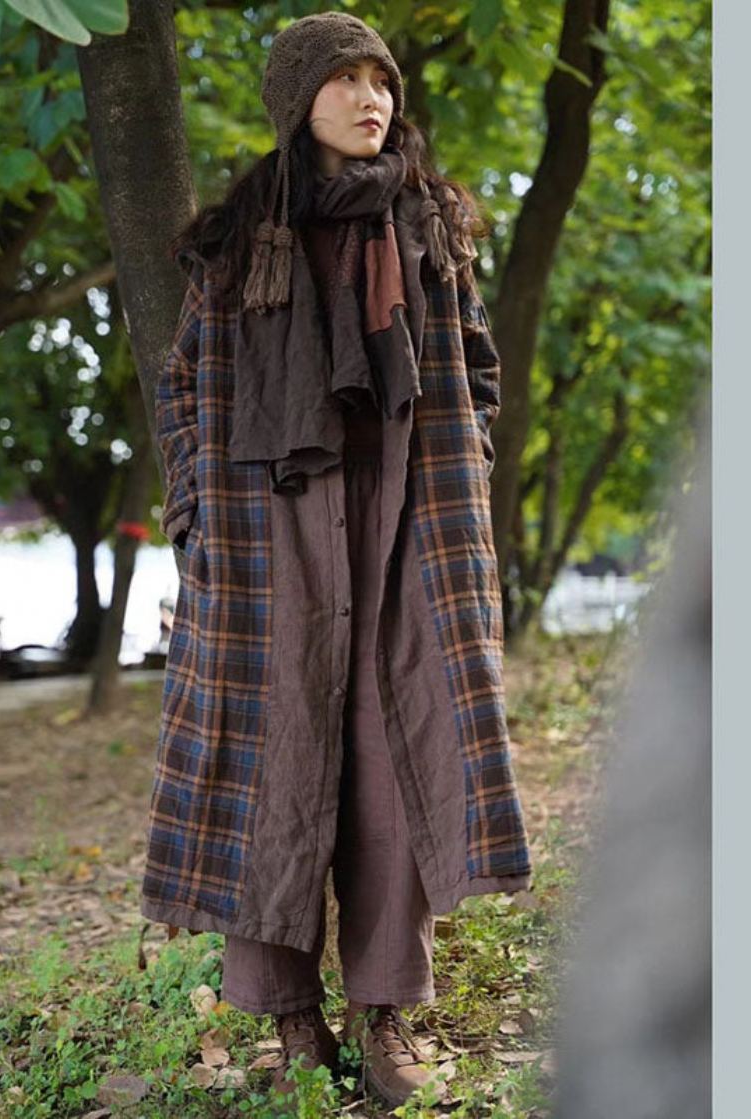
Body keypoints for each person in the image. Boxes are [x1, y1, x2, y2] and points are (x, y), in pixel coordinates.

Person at [140, 11, 532, 1110]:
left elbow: (477, 372)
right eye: (346, 81)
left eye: (382, 82)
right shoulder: (235, 247)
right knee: (277, 756)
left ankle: (383, 1012)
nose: (373, 101)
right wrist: (195, 522)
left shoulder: (428, 230)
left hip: (408, 516)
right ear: (295, 100)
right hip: (273, 528)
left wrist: (468, 466)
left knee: (393, 746)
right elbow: (184, 391)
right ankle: (289, 1015)